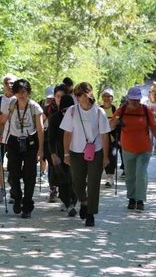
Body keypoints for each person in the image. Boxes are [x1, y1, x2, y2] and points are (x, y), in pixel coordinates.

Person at [60, 82, 111, 227]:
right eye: (75, 94)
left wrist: (106, 157)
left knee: (94, 183)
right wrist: (66, 154)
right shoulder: (72, 111)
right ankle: (84, 201)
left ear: (88, 94)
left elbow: (105, 136)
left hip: (96, 151)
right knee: (77, 182)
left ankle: (91, 214)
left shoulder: (99, 112)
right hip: (76, 151)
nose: (77, 97)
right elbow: (67, 133)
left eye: (79, 94)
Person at [111, 86, 156, 211]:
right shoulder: (121, 110)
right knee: (130, 175)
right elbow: (110, 127)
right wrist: (116, 122)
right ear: (128, 99)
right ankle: (131, 198)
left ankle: (140, 200)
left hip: (144, 148)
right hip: (127, 148)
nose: (135, 102)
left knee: (141, 174)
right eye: (132, 99)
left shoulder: (145, 110)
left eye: (137, 100)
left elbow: (153, 127)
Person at [1, 79, 44, 218]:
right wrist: (1, 136)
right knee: (13, 174)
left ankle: (27, 206)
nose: (21, 95)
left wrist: (41, 149)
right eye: (18, 92)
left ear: (28, 92)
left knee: (29, 176)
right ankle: (17, 197)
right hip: (14, 142)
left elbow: (40, 129)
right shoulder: (12, 104)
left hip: (30, 143)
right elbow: (5, 121)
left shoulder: (35, 107)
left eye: (24, 92)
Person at [47, 94, 77, 217]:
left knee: (75, 180)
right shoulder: (54, 118)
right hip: (60, 153)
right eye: (64, 110)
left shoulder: (78, 117)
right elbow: (51, 138)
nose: (67, 112)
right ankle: (68, 204)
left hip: (76, 153)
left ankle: (73, 201)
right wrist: (53, 154)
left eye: (69, 109)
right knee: (63, 181)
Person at [0, 74, 16, 203]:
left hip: (14, 136)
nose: (10, 85)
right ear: (3, 85)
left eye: (12, 83)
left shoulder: (19, 99)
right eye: (7, 83)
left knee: (13, 164)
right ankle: (2, 188)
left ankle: (13, 190)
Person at [40, 86, 58, 203]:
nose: (51, 100)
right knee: (51, 165)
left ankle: (59, 188)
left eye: (52, 98)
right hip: (46, 139)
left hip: (58, 140)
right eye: (49, 98)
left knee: (57, 166)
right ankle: (53, 189)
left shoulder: (59, 107)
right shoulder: (42, 106)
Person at [100, 87, 117, 187]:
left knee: (112, 156)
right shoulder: (99, 109)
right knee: (101, 156)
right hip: (100, 138)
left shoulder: (115, 109)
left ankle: (110, 177)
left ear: (112, 98)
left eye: (108, 96)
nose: (106, 98)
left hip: (112, 138)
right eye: (104, 96)